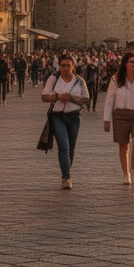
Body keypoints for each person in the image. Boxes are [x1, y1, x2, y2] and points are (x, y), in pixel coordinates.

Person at [103, 51, 134, 184]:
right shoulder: (116, 79)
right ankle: (126, 174)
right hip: (121, 115)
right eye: (131, 62)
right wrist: (106, 120)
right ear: (125, 64)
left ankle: (133, 168)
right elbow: (109, 100)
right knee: (123, 146)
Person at [42, 53, 89, 189]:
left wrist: (72, 98)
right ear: (59, 66)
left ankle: (67, 170)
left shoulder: (79, 81)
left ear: (73, 66)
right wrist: (57, 97)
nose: (65, 68)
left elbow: (86, 99)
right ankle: (66, 177)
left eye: (68, 65)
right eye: (63, 66)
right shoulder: (53, 79)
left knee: (71, 148)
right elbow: (44, 97)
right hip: (58, 116)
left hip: (74, 116)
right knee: (63, 146)